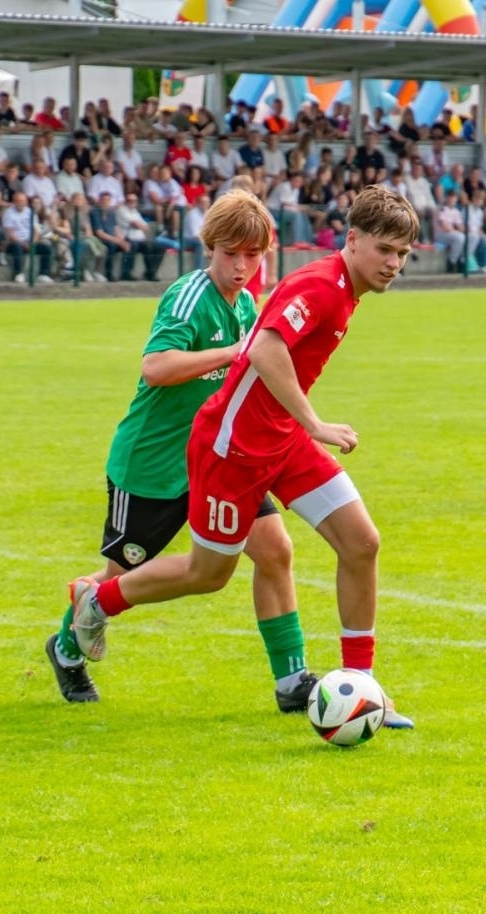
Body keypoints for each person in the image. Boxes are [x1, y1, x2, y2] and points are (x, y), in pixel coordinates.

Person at [67, 187, 420, 727]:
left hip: (279, 442)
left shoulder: (340, 289)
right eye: (385, 250)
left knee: (360, 541)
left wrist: (299, 427)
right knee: (209, 573)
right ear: (352, 241)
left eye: (403, 253)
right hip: (231, 449)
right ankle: (98, 601)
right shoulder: (321, 286)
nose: (394, 264)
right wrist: (315, 423)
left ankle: (361, 685)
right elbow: (263, 349)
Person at [45, 191, 315, 710]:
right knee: (119, 580)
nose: (241, 267)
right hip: (153, 463)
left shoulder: (246, 305)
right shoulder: (190, 297)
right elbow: (156, 366)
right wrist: (234, 352)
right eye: (231, 253)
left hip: (218, 458)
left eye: (253, 255)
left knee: (275, 550)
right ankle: (66, 647)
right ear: (208, 247)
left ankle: (291, 680)